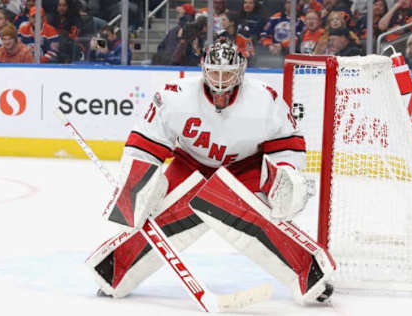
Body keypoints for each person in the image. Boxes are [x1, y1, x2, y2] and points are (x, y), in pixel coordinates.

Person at [85, 37, 335, 305]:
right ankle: (115, 269)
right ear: (203, 68)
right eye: (215, 72)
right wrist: (135, 187)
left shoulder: (265, 99)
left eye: (227, 73)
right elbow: (145, 144)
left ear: (241, 70)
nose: (220, 80)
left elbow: (287, 143)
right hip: (190, 164)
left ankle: (309, 272)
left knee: (262, 217)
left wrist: (284, 176)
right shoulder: (175, 95)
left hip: (245, 168)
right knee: (158, 211)